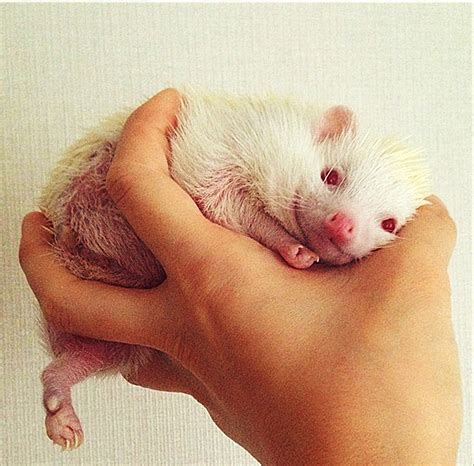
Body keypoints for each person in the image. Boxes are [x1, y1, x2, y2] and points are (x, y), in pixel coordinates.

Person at [19, 89, 462, 464]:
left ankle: (66, 374)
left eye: (385, 225)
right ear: (323, 133)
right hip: (96, 202)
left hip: (124, 269)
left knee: (116, 337)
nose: (343, 224)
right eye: (330, 177)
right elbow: (209, 190)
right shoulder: (255, 144)